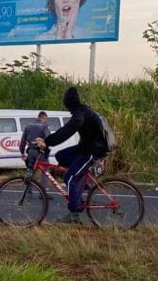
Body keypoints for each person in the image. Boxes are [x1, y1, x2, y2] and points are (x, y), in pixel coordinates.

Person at [35, 87, 109, 224]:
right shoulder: (81, 111)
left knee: (70, 178)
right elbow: (65, 129)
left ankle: (74, 214)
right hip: (86, 147)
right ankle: (80, 184)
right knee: (61, 156)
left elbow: (67, 131)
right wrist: (47, 141)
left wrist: (47, 142)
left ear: (68, 102)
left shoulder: (80, 114)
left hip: (92, 150)